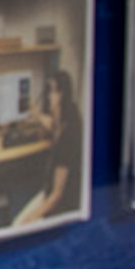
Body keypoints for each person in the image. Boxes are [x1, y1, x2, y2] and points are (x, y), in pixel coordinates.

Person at [15, 70, 84, 225]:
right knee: (19, 222)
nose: (48, 96)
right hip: (49, 192)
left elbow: (57, 195)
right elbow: (51, 124)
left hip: (60, 205)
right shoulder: (66, 120)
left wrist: (31, 218)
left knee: (18, 225)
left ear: (61, 95)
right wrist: (35, 113)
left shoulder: (67, 138)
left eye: (52, 91)